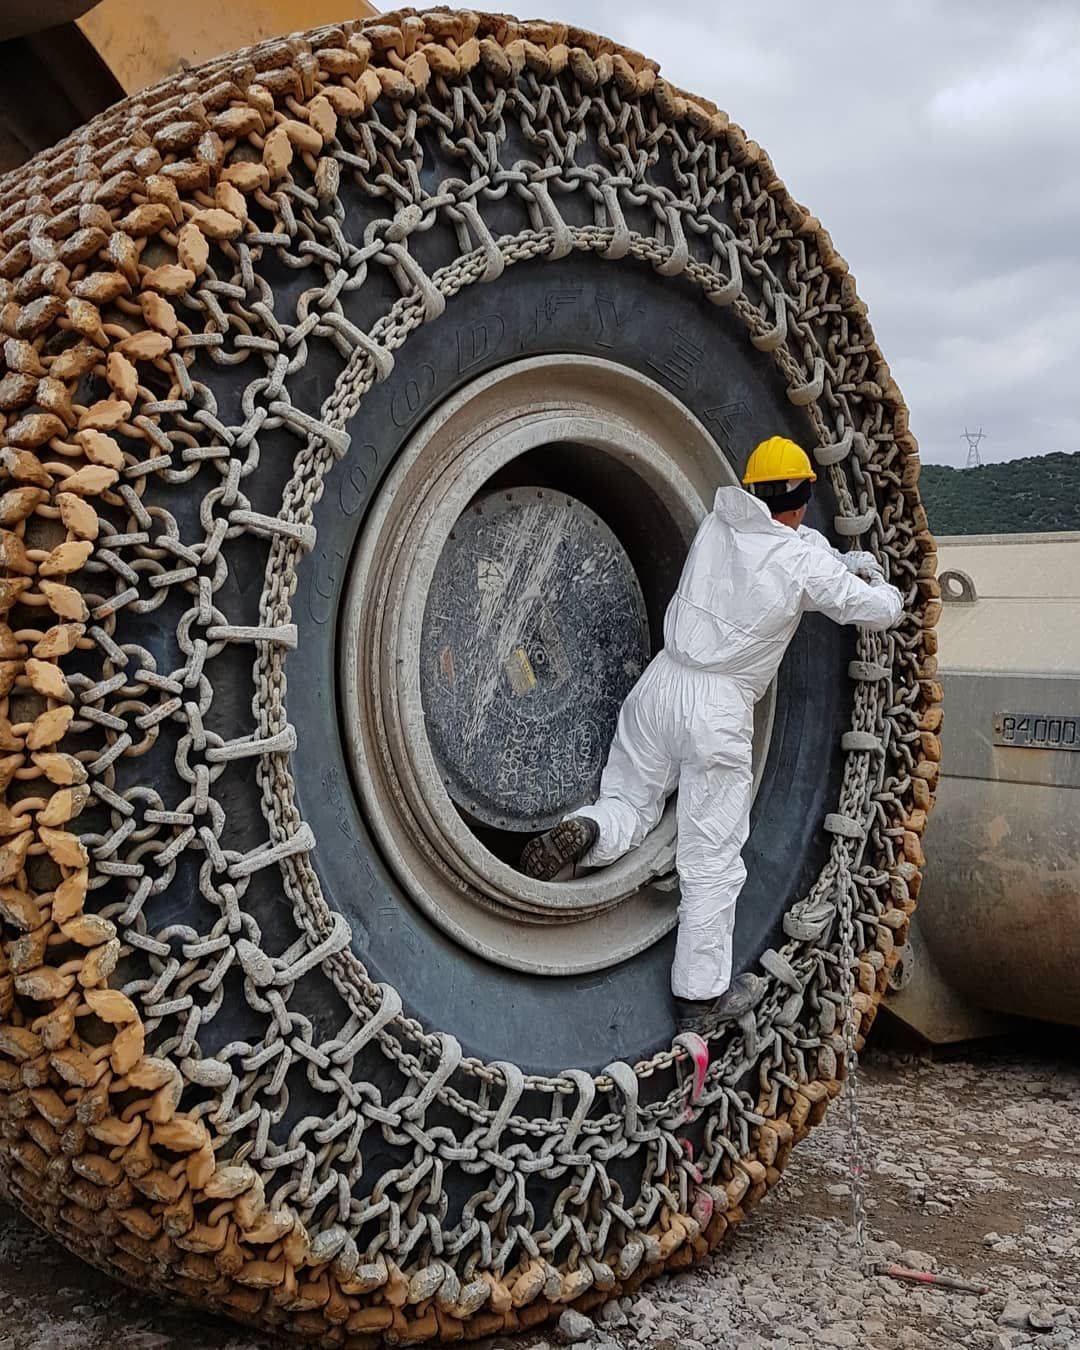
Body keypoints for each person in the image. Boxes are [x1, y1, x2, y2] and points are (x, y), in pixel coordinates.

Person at [521, 436, 903, 1036]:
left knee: (630, 801)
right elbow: (868, 607)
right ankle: (700, 999)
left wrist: (835, 562)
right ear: (803, 498)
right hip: (718, 707)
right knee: (711, 859)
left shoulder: (717, 526)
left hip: (661, 684)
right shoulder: (801, 563)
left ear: (751, 491)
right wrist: (884, 587)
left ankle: (592, 832)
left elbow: (780, 542)